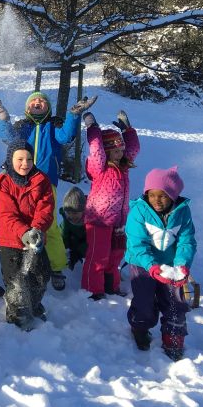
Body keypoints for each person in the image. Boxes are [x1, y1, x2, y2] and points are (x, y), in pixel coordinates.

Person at [0, 90, 96, 289]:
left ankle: (56, 265)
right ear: (27, 107)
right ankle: (20, 256)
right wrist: (2, 115)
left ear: (48, 107)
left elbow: (66, 137)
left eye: (42, 101)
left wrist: (74, 114)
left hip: (46, 183)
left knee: (49, 225)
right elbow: (7, 136)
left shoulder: (53, 127)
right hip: (20, 182)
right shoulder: (23, 128)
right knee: (20, 220)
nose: (38, 102)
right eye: (33, 101)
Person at [126, 167, 197, 360]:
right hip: (142, 263)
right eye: (152, 195)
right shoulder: (139, 212)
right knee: (144, 299)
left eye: (163, 196)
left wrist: (182, 264)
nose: (157, 200)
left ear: (173, 195)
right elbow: (137, 243)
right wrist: (151, 266)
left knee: (175, 302)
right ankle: (140, 326)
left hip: (171, 265)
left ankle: (174, 337)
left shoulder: (182, 212)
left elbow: (186, 241)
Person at [0, 141, 55, 331]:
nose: (25, 163)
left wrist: (37, 228)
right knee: (16, 281)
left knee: (41, 274)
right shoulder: (2, 183)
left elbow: (46, 209)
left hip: (34, 237)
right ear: (10, 160)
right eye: (19, 159)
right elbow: (6, 214)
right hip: (9, 239)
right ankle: (17, 316)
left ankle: (33, 305)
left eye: (28, 159)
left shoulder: (41, 180)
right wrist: (23, 231)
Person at [82, 110, 140, 300]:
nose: (120, 154)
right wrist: (93, 128)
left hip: (118, 220)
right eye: (115, 151)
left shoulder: (123, 165)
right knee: (99, 255)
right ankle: (93, 289)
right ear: (106, 152)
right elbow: (96, 150)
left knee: (115, 254)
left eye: (121, 150)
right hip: (99, 219)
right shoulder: (99, 168)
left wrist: (128, 130)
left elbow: (133, 148)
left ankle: (111, 285)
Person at [59, 187, 88, 271]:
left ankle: (79, 257)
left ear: (83, 210)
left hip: (85, 245)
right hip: (73, 243)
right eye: (68, 213)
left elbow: (92, 240)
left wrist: (79, 252)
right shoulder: (67, 220)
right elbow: (62, 235)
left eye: (75, 213)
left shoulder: (89, 220)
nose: (71, 216)